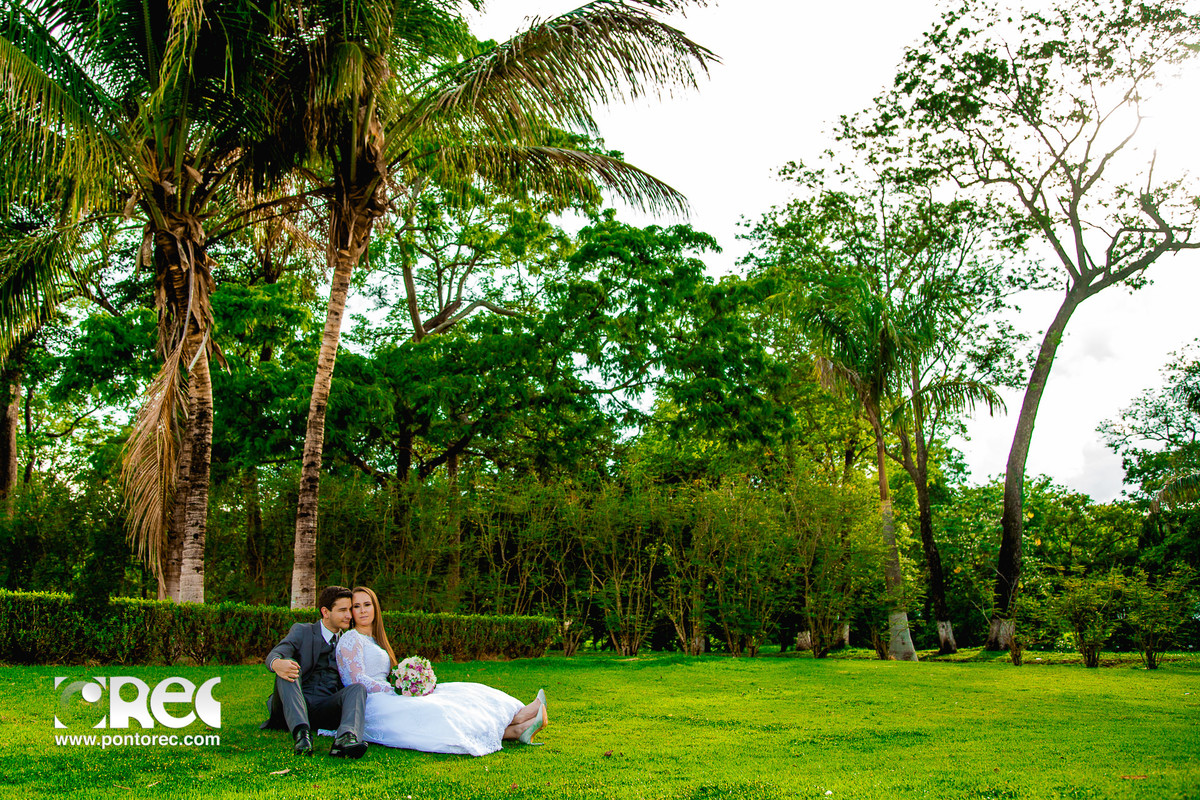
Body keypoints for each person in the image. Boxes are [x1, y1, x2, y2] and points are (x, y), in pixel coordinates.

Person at [334, 585, 548, 756]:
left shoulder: (376, 640)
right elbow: (357, 679)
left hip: (386, 692)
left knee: (463, 691)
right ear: (351, 612)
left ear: (375, 608)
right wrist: (391, 689)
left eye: (367, 604)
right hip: (371, 701)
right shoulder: (351, 638)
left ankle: (519, 722)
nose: (362, 610)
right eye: (357, 606)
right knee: (438, 709)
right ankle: (519, 726)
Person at [262, 585, 369, 758]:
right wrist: (276, 663)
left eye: (350, 609)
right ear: (326, 612)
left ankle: (345, 738)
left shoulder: (349, 642)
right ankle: (302, 735)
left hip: (325, 707)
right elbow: (276, 654)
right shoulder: (302, 631)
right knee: (289, 666)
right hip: (293, 704)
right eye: (343, 610)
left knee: (358, 689)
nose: (349, 615)